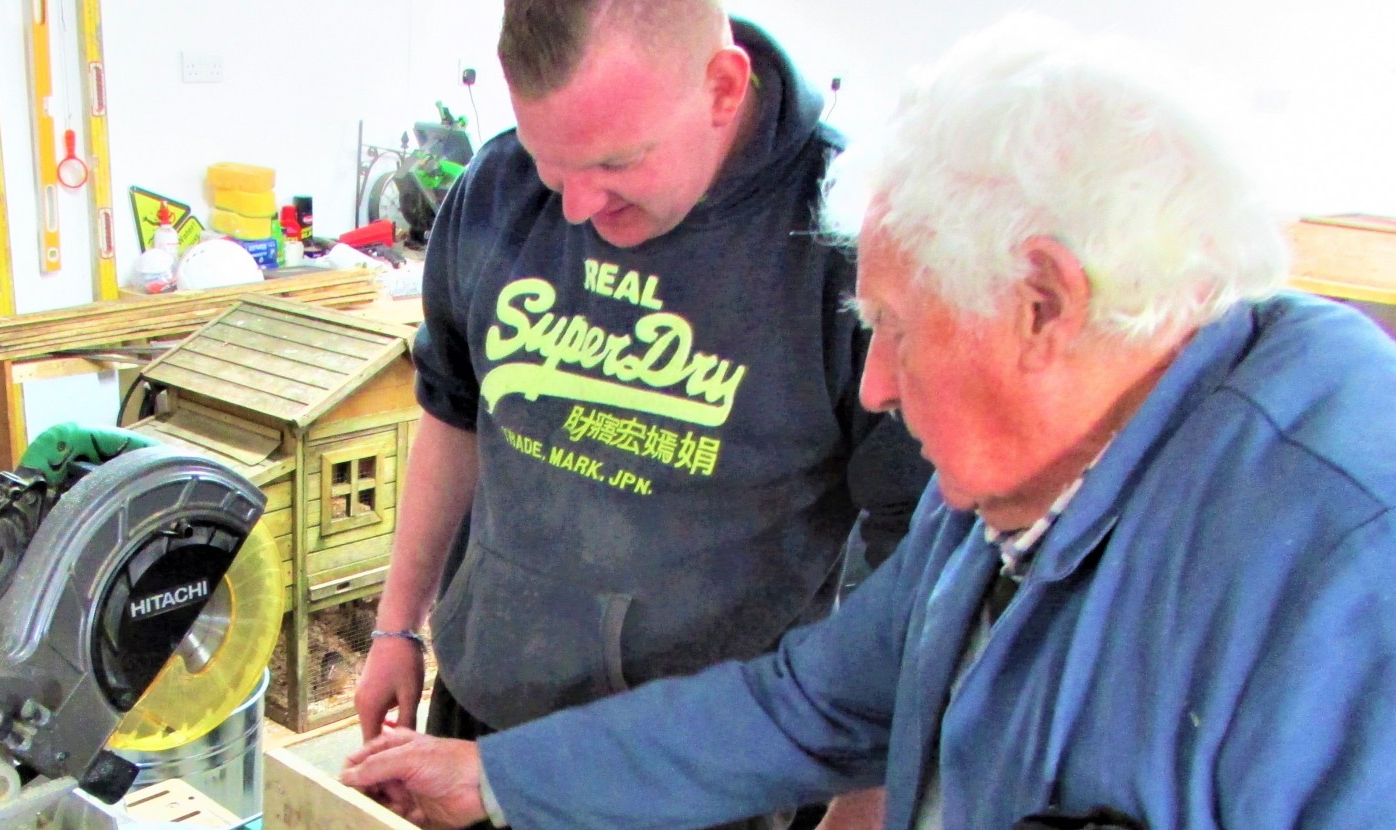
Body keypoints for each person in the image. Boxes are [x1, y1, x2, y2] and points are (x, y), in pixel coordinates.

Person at [340, 15, 1396, 830]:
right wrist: (501, 777)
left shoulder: (1346, 566)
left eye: (898, 328)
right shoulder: (993, 505)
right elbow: (808, 706)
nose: (877, 385)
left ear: (1043, 304)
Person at [354, 3, 929, 825]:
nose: (578, 209)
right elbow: (453, 408)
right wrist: (396, 626)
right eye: (554, 167)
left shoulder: (848, 241)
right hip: (482, 726)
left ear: (722, 89)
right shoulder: (499, 186)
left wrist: (860, 811)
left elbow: (912, 571)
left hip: (705, 784)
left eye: (615, 163)